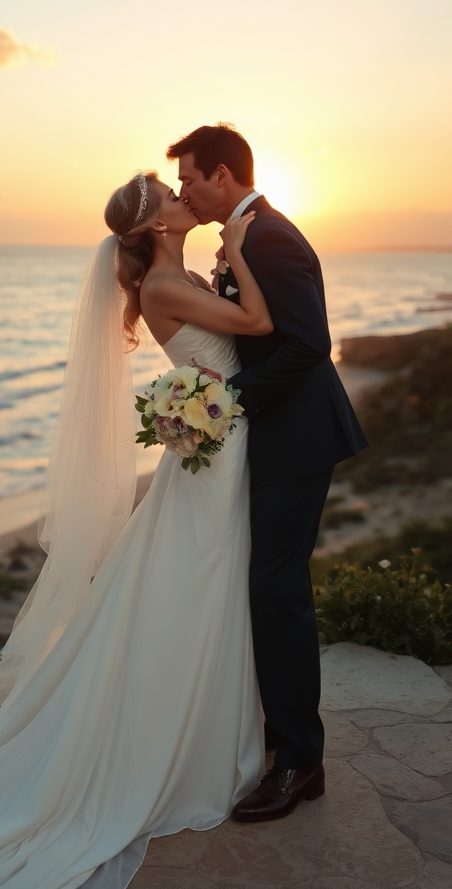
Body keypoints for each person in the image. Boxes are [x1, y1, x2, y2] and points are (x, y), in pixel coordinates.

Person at [0, 171, 274, 889]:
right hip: (215, 460)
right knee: (200, 585)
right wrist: (240, 248)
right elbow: (255, 327)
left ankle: (203, 730)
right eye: (174, 198)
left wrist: (220, 267)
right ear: (157, 226)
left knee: (198, 588)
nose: (188, 202)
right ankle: (179, 746)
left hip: (214, 451)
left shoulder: (175, 273)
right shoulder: (160, 284)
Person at [167, 124, 369, 822]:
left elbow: (312, 343)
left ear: (223, 176)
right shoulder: (243, 236)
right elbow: (261, 331)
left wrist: (228, 400)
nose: (184, 190)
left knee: (276, 592)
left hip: (296, 440)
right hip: (274, 438)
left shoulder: (270, 236)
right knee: (265, 587)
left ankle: (299, 761)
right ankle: (280, 740)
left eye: (190, 178)